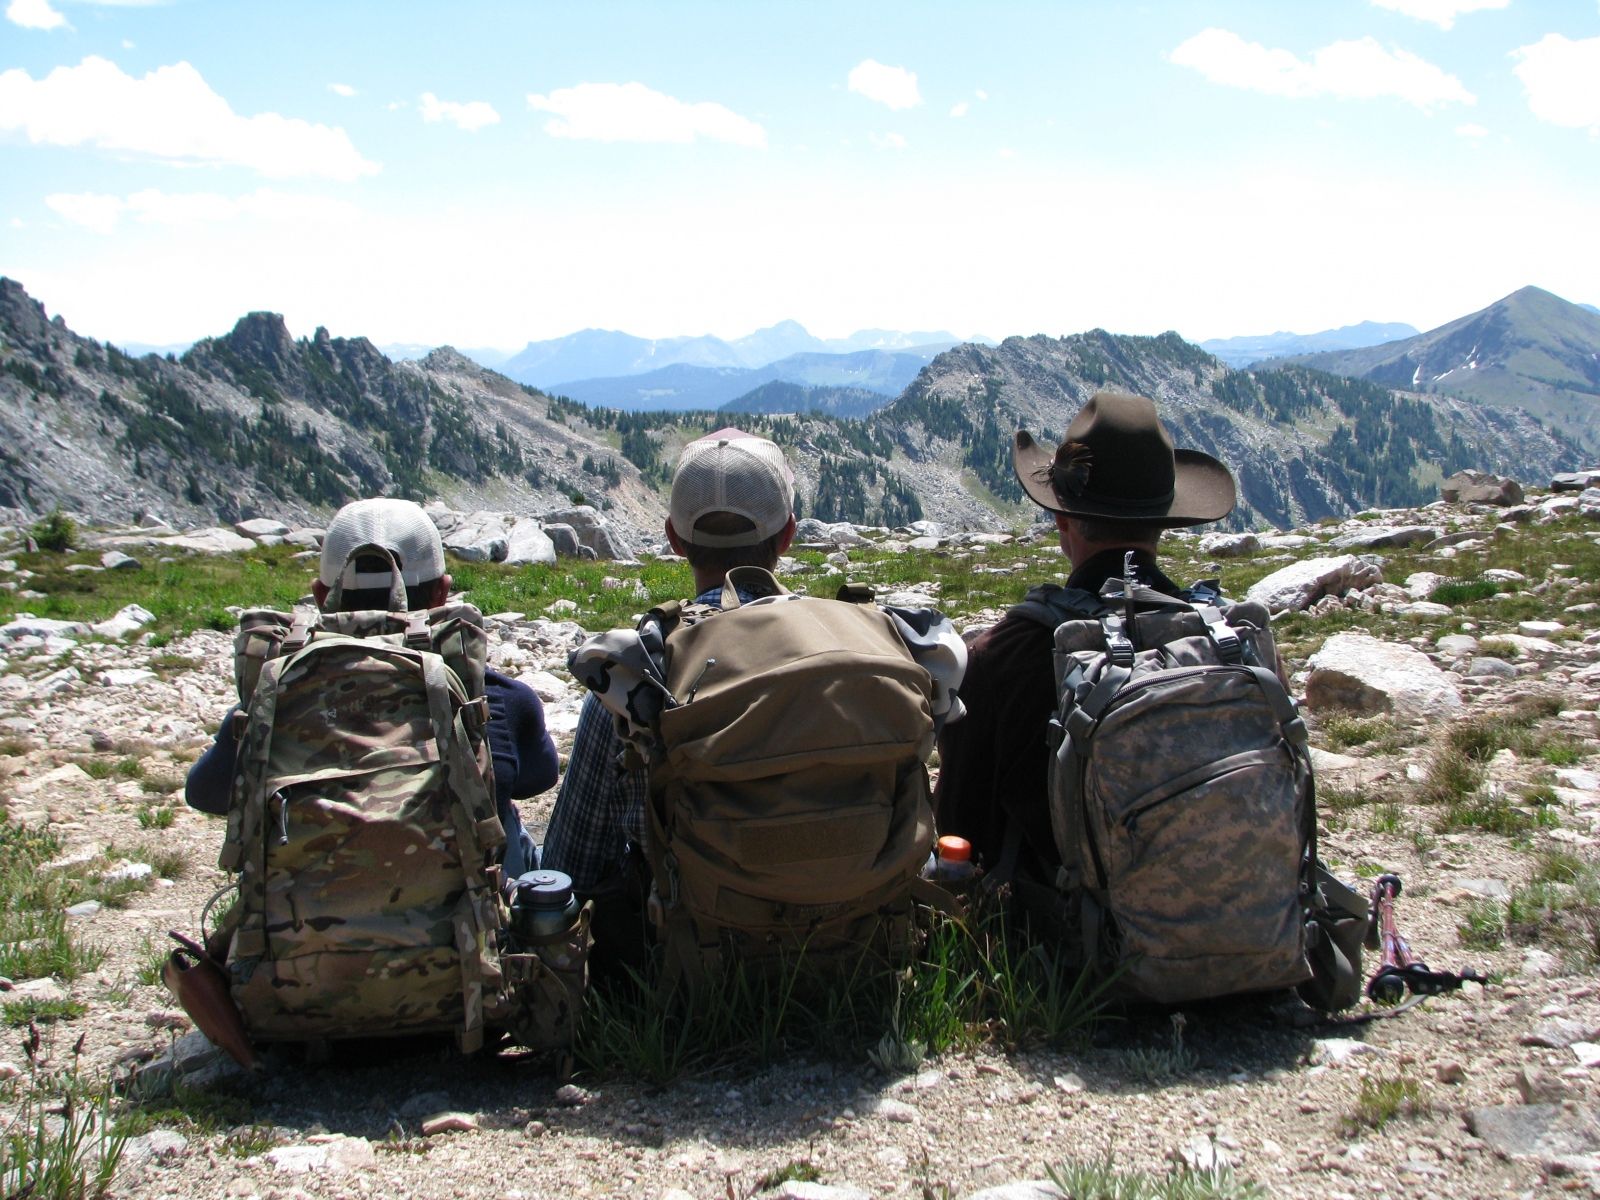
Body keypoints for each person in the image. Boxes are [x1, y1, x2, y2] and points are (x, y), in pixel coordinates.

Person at [932, 391, 1238, 878]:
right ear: (1165, 521)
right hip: (1253, 917)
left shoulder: (1005, 655)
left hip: (1075, 940)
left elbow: (961, 826)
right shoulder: (1231, 641)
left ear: (1062, 521)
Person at [185, 497, 557, 879]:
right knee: (507, 820)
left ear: (320, 596)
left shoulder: (274, 702)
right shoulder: (498, 701)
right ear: (442, 594)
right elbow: (538, 778)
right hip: (459, 930)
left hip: (299, 929)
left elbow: (206, 793)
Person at [542, 427, 797, 897]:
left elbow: (571, 866)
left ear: (674, 540)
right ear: (787, 535)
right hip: (854, 929)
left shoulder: (631, 680)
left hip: (687, 950)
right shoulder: (851, 646)